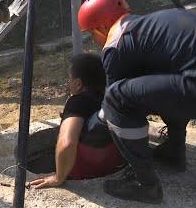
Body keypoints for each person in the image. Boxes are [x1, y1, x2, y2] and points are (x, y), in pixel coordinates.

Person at [77, 0, 196, 203]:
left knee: (117, 98)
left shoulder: (116, 45)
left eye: (92, 34)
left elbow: (112, 108)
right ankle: (174, 152)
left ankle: (144, 184)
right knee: (163, 79)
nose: (95, 40)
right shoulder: (151, 26)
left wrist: (88, 133)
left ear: (100, 27)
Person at [23, 53, 127, 189]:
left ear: (78, 84)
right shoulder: (109, 98)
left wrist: (58, 177)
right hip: (112, 166)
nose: (68, 82)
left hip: (84, 171)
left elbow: (66, 143)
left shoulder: (78, 101)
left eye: (70, 78)